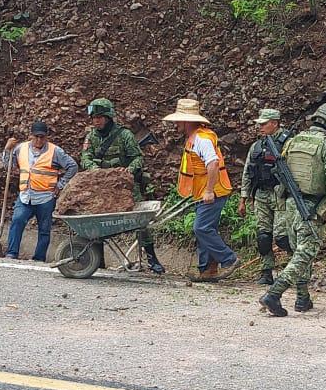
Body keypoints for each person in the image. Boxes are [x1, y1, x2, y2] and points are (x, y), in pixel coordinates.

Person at [259, 103, 326, 318]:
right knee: (306, 252)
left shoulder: (294, 141)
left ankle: (302, 298)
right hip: (311, 207)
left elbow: (280, 171)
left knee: (298, 251)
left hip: (290, 204)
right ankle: (274, 294)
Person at [81, 97, 164, 274]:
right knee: (96, 222)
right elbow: (85, 157)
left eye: (99, 117)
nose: (96, 121)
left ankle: (151, 259)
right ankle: (98, 260)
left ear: (108, 117)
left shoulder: (124, 135)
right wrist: (94, 169)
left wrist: (128, 171)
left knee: (141, 222)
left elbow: (138, 158)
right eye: (94, 118)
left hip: (126, 188)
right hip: (102, 188)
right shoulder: (91, 137)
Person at [163, 96, 238, 281]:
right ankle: (207, 270)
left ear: (187, 121)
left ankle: (229, 259)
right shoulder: (193, 138)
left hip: (213, 192)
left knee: (201, 228)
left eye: (179, 121)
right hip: (203, 192)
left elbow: (212, 163)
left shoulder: (202, 139)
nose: (176, 125)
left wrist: (209, 190)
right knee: (206, 228)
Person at [2, 120, 77, 261]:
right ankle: (12, 253)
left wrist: (60, 185)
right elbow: (8, 167)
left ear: (46, 137)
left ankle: (39, 258)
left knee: (44, 229)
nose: (39, 140)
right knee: (17, 220)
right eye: (36, 136)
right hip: (26, 196)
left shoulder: (55, 151)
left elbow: (72, 166)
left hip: (45, 197)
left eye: (42, 137)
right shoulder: (20, 148)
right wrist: (7, 150)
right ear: (31, 136)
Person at [239, 107, 293, 286]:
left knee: (282, 236)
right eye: (259, 124)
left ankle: (297, 267)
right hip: (261, 194)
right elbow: (248, 172)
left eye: (264, 124)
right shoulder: (257, 146)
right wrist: (244, 198)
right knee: (263, 236)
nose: (260, 127)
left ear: (275, 123)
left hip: (280, 194)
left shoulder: (288, 143)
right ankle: (266, 271)